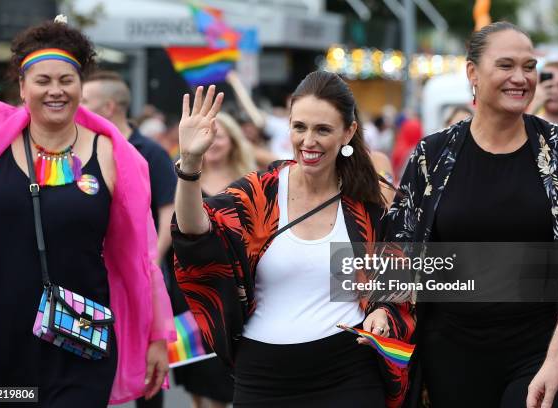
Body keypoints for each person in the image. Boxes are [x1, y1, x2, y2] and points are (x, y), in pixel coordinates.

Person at [172, 71, 415, 408]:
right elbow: (194, 235)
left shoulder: (371, 199)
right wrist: (191, 164)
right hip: (263, 377)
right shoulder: (260, 192)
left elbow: (401, 268)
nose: (308, 141)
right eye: (299, 127)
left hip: (348, 372)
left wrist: (385, 308)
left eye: (323, 130)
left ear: (349, 132)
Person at [0, 17, 174, 405]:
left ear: (81, 85)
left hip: (79, 340)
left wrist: (156, 337)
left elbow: (137, 258)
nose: (55, 91)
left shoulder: (114, 156)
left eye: (66, 80)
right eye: (42, 81)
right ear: (22, 86)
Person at [387, 21, 558, 407]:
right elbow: (398, 253)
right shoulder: (433, 156)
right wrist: (381, 307)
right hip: (451, 356)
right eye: (506, 65)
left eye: (529, 66)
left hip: (541, 349)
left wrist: (557, 358)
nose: (521, 78)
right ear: (472, 73)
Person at [81, 70, 177, 408]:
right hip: (97, 279)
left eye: (84, 101)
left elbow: (167, 215)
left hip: (142, 277)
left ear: (108, 106)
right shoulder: (84, 148)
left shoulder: (149, 152)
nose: (75, 107)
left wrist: (148, 262)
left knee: (148, 366)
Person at [171, 111, 256, 408]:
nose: (214, 142)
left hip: (242, 290)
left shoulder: (252, 178)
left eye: (220, 135)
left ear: (233, 140)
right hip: (196, 290)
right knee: (202, 376)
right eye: (209, 135)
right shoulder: (184, 176)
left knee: (234, 379)